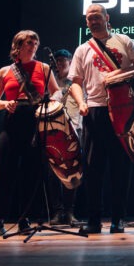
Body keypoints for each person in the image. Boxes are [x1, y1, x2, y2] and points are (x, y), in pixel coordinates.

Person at [0, 31, 86, 236]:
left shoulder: (44, 68)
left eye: (36, 43)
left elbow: (56, 93)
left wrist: (51, 105)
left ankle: (24, 219)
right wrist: (5, 103)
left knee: (30, 172)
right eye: (29, 43)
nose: (33, 47)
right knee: (3, 172)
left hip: (35, 122)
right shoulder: (5, 71)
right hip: (12, 121)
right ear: (17, 45)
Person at [69, 3, 134, 235]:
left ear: (106, 17)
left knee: (120, 167)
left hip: (123, 110)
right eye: (89, 18)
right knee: (93, 169)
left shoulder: (123, 41)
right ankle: (94, 219)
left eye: (96, 16)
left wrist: (119, 73)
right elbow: (75, 81)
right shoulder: (82, 50)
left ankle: (118, 219)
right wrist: (81, 102)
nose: (93, 21)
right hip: (94, 110)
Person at [46, 47, 82, 226]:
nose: (60, 65)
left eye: (63, 62)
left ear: (70, 63)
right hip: (54, 131)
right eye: (57, 62)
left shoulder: (76, 80)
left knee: (73, 172)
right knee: (54, 173)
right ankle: (57, 212)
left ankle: (69, 212)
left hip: (75, 128)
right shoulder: (51, 82)